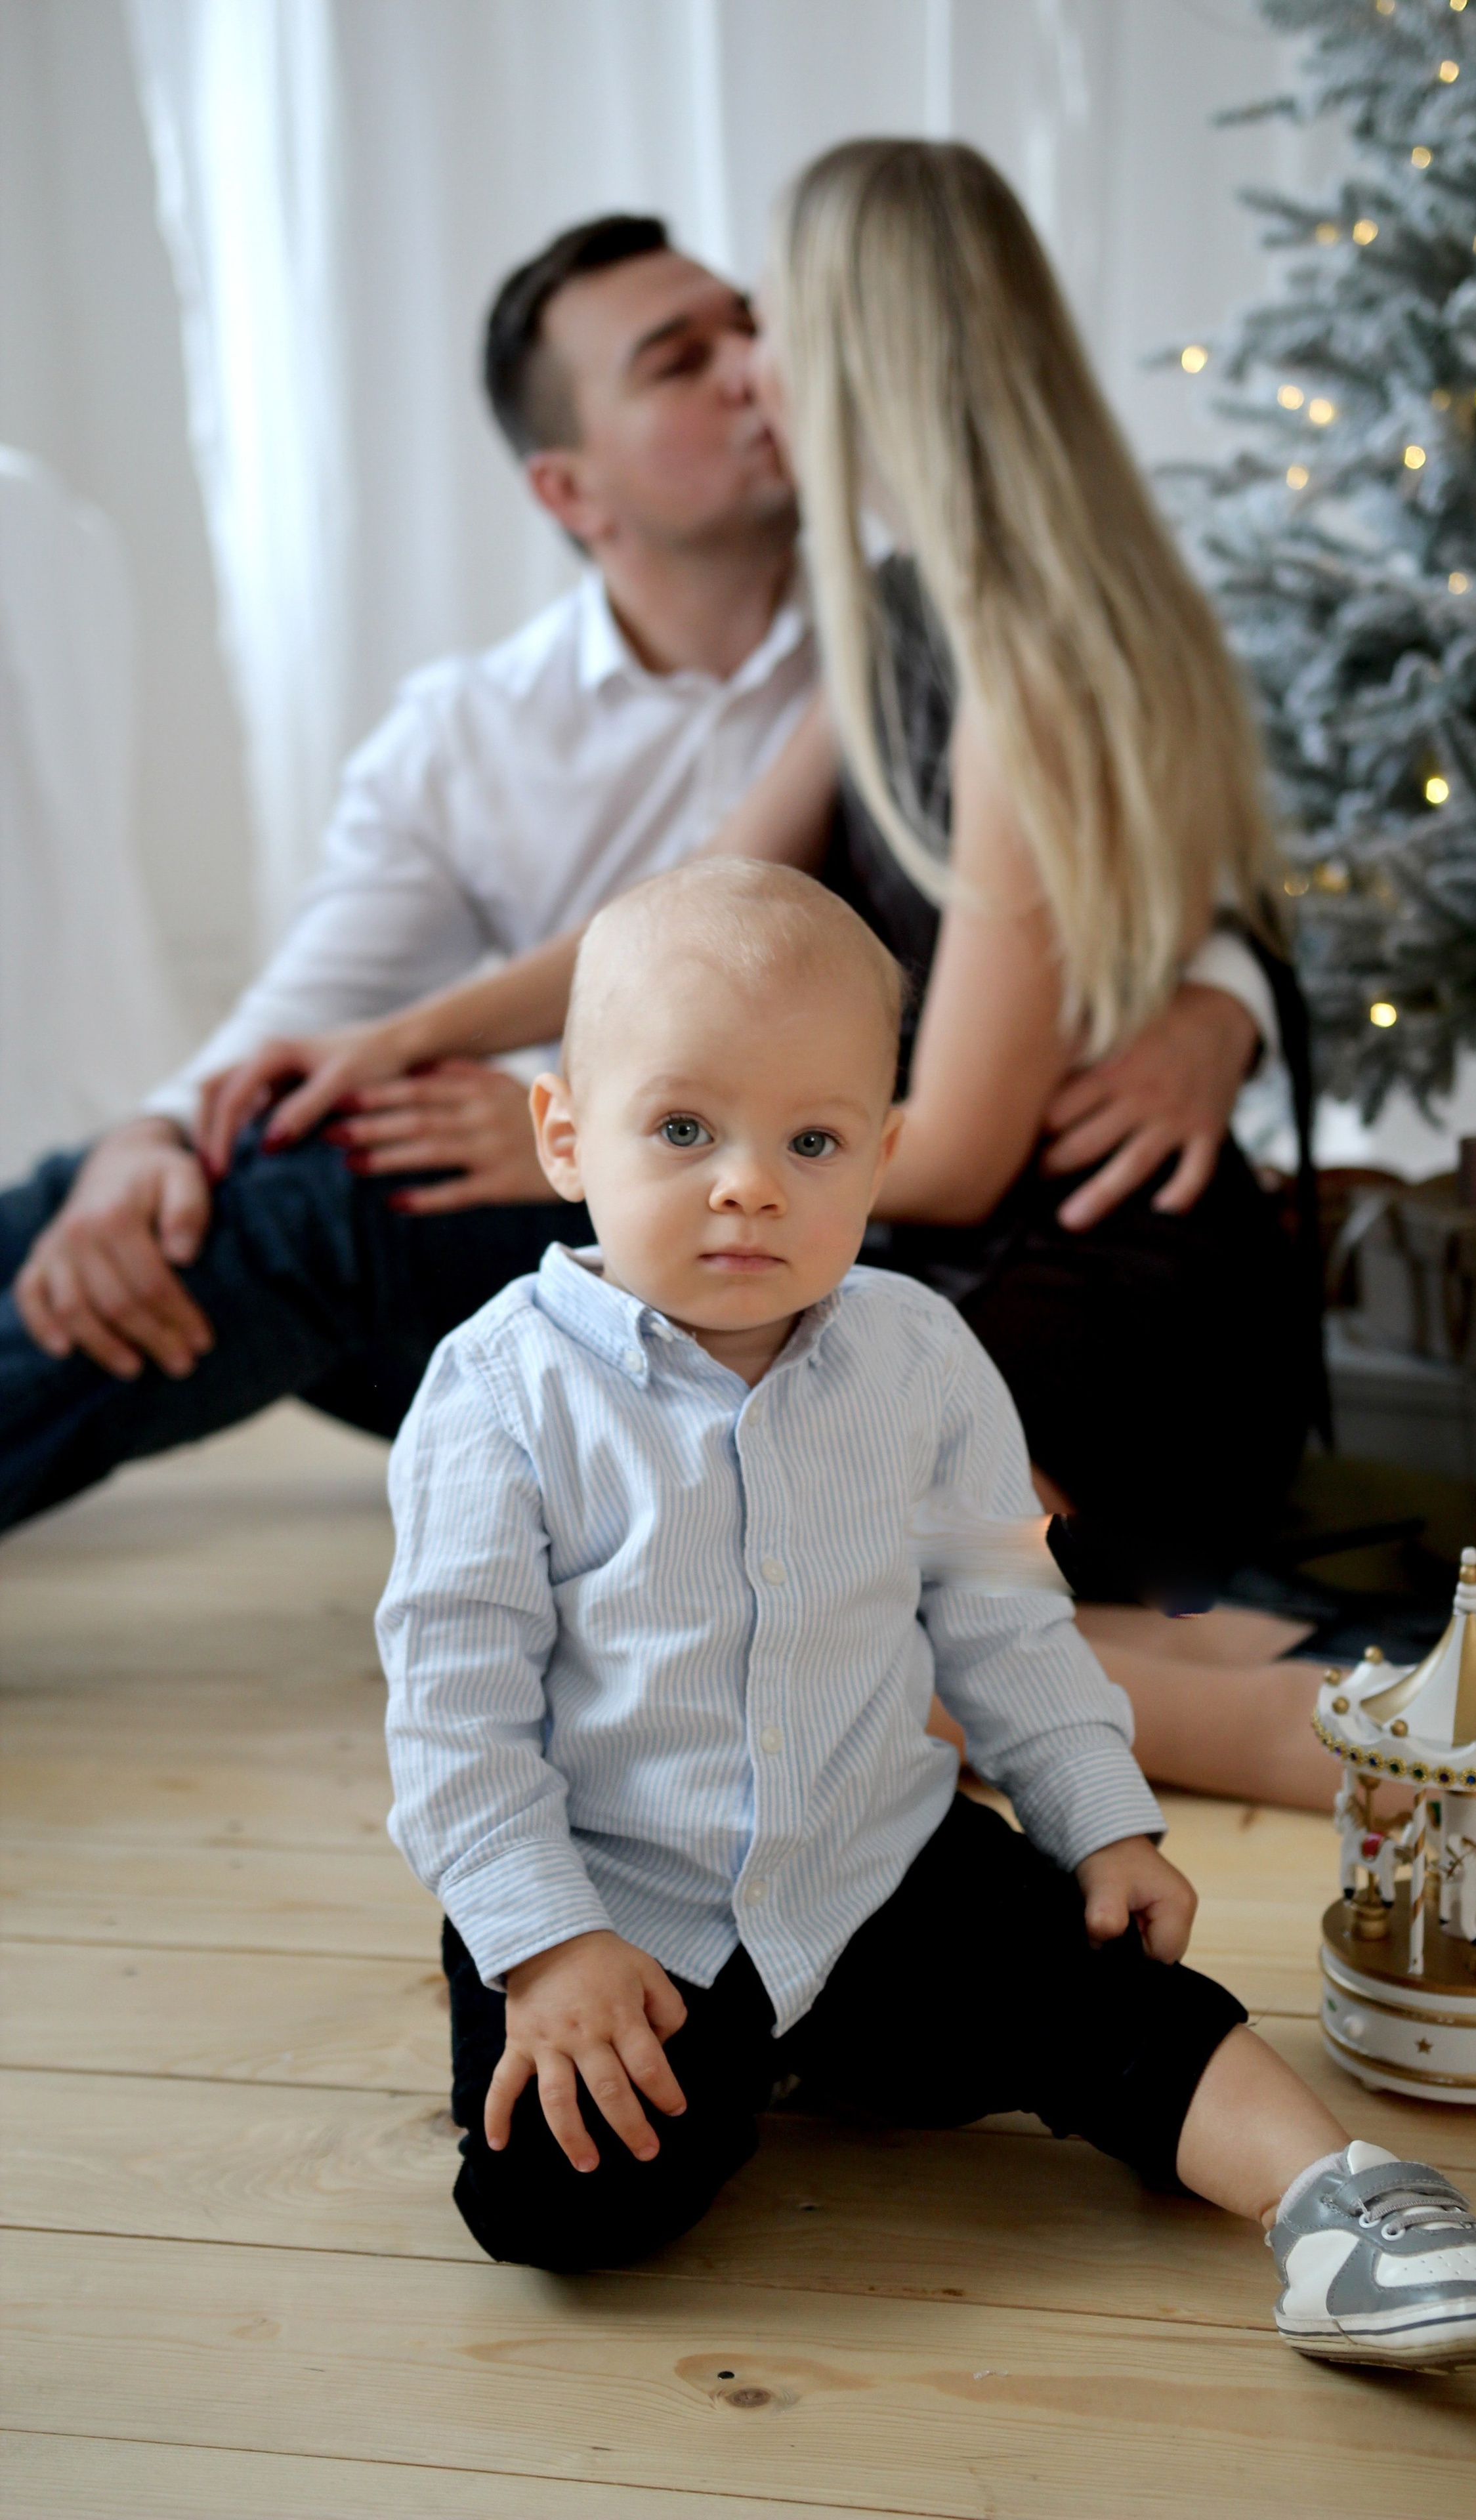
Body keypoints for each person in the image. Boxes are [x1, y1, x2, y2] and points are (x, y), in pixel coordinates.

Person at [195, 150, 1339, 1806]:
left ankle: (1329, 1732)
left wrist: (604, 1150)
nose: (748, 377)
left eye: (768, 333)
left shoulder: (1023, 665)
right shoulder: (893, 619)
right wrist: (408, 1033)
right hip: (968, 1245)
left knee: (802, 1632)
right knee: (768, 1574)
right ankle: (1270, 1667)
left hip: (1100, 1281)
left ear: (859, 360)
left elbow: (939, 1148)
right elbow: (684, 910)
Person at [381, 857, 1476, 2372]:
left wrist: (1101, 1819)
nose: (747, 1182)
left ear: (880, 1157)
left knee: (1115, 2001)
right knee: (556, 2210)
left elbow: (1006, 1620)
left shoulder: (923, 1359)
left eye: (810, 1139)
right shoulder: (498, 1396)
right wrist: (541, 1944)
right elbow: (455, 1717)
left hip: (874, 1852)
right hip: (622, 1893)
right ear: (563, 1133)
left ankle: (1346, 2209)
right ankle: (759, 2051)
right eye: (681, 1129)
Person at [0, 209, 1269, 1544]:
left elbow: (1162, 856)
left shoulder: (939, 636)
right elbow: (315, 1023)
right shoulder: (473, 734)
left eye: (755, 330)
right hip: (693, 1204)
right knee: (237, 1153)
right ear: (572, 490)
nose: (744, 370)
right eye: (680, 359)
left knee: (327, 1200)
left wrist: (1220, 1004)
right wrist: (150, 1138)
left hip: (840, 1224)